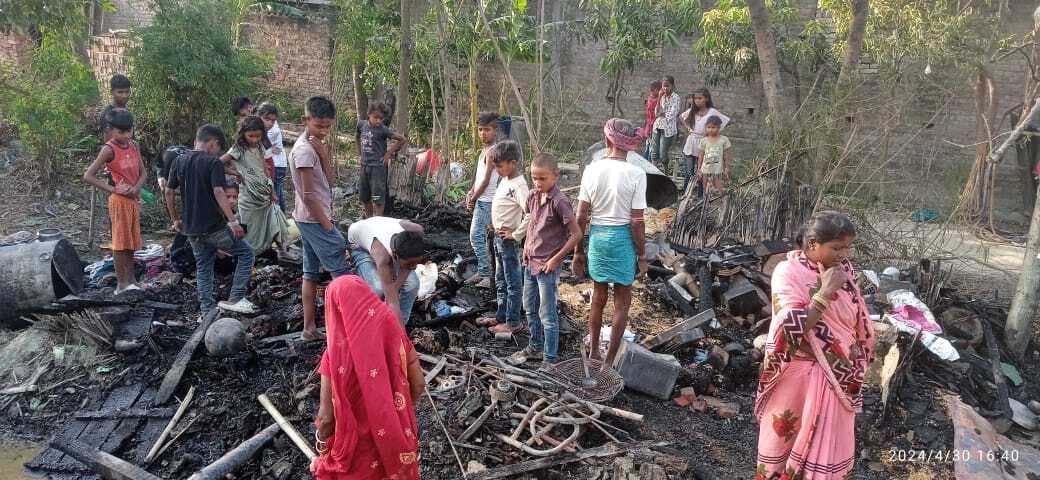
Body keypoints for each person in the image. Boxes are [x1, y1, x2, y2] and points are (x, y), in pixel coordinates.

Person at [755, 211, 874, 480]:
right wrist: (825, 292)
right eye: (836, 248)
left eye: (847, 247)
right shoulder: (788, 272)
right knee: (782, 445)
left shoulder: (844, 272)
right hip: (798, 377)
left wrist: (855, 352)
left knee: (829, 450)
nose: (844, 254)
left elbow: (856, 319)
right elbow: (790, 328)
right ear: (811, 245)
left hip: (840, 376)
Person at [311, 275, 423, 480]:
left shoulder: (334, 356)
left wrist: (321, 447)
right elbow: (418, 384)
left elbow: (326, 419)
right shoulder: (394, 333)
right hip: (395, 439)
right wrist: (395, 412)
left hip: (357, 455)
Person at [573, 118, 647, 368]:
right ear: (630, 147)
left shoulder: (592, 169)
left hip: (598, 238)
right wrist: (642, 254)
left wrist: (577, 252)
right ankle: (609, 362)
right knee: (622, 303)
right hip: (622, 239)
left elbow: (581, 216)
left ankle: (594, 352)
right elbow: (637, 222)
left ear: (606, 141)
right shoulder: (637, 173)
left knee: (598, 297)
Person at [164, 124, 258, 315]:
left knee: (204, 266)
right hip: (213, 227)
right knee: (246, 253)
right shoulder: (213, 162)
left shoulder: (180, 161)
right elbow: (218, 191)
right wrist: (233, 221)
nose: (217, 152)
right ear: (213, 143)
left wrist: (175, 219)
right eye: (218, 148)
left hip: (190, 228)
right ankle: (236, 297)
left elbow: (168, 191)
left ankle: (207, 311)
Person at [507, 153, 581, 369]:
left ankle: (549, 359)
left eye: (542, 179)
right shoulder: (531, 196)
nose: (538, 183)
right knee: (529, 307)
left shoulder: (559, 201)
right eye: (534, 178)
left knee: (547, 313)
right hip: (530, 262)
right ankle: (535, 346)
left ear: (555, 176)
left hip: (547, 266)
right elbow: (532, 223)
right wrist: (525, 248)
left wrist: (557, 259)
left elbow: (576, 234)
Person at [291, 96, 350, 342]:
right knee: (343, 274)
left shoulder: (314, 147)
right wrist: (327, 226)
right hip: (314, 220)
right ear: (306, 120)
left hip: (309, 219)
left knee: (310, 273)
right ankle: (349, 329)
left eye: (328, 126)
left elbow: (331, 180)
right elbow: (307, 195)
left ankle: (309, 328)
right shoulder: (304, 150)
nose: (324, 131)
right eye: (319, 126)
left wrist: (324, 155)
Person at [83, 108, 146, 295]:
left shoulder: (134, 145)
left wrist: (136, 188)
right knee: (120, 243)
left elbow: (143, 173)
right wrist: (114, 189)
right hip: (119, 201)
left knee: (132, 242)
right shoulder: (108, 149)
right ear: (111, 130)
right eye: (121, 132)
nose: (126, 135)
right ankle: (121, 283)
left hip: (133, 199)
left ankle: (132, 280)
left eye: (129, 131)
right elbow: (88, 176)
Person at [476, 141, 529, 335]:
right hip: (498, 238)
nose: (496, 170)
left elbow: (531, 214)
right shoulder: (505, 180)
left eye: (499, 166)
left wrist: (516, 235)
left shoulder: (519, 186)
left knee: (513, 282)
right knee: (500, 279)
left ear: (513, 163)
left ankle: (513, 321)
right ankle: (501, 315)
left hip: (508, 242)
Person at [220, 115, 290, 254]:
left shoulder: (259, 146)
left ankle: (274, 251)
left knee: (272, 221)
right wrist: (236, 173)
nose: (254, 139)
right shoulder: (238, 149)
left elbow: (264, 168)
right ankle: (249, 255)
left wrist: (272, 192)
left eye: (258, 136)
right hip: (249, 197)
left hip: (264, 193)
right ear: (243, 133)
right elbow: (218, 164)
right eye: (251, 136)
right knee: (251, 229)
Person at [347, 216, 427, 325]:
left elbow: (406, 269)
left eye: (417, 262)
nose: (414, 267)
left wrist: (393, 289)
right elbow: (392, 302)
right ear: (396, 256)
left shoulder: (416, 233)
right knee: (378, 290)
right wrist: (390, 294)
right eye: (410, 263)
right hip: (359, 246)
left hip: (379, 225)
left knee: (412, 285)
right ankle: (373, 323)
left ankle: (399, 326)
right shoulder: (382, 256)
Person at [464, 112, 501, 288]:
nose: (483, 133)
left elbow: (486, 181)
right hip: (482, 198)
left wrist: (474, 198)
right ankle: (484, 271)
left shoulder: (493, 151)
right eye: (480, 129)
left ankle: (486, 274)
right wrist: (471, 192)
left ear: (495, 131)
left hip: (488, 201)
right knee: (486, 237)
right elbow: (479, 177)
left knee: (476, 236)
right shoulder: (484, 150)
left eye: (487, 130)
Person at [356, 103, 407, 218]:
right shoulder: (361, 125)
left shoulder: (383, 130)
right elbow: (357, 135)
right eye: (376, 117)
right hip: (364, 166)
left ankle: (378, 220)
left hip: (378, 168)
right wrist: (359, 153)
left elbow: (402, 139)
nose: (378, 121)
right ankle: (369, 220)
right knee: (365, 196)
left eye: (381, 119)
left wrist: (388, 153)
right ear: (369, 114)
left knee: (377, 197)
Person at [680, 88, 730, 194]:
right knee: (689, 172)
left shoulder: (712, 112)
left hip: (704, 143)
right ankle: (685, 193)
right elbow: (681, 117)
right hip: (691, 142)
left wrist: (713, 132)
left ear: (706, 99)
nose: (697, 101)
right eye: (695, 98)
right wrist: (688, 128)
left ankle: (700, 196)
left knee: (702, 172)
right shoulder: (692, 111)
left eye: (700, 98)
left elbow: (726, 121)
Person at [258, 102, 289, 212]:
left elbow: (266, 152)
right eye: (267, 119)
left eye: (273, 120)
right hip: (274, 166)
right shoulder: (260, 133)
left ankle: (280, 221)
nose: (270, 123)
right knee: (277, 195)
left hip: (276, 167)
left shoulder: (269, 131)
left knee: (275, 197)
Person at [651, 76, 681, 173]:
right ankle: (653, 172)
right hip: (657, 126)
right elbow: (656, 113)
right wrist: (659, 97)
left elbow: (673, 114)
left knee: (663, 155)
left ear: (672, 86)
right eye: (663, 86)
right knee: (654, 153)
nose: (665, 88)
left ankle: (666, 171)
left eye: (667, 86)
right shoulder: (662, 97)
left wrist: (662, 114)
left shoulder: (676, 97)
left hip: (668, 129)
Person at [696, 116, 733, 193]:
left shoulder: (724, 140)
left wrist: (727, 168)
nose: (711, 130)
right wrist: (699, 169)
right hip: (705, 169)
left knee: (719, 188)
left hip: (718, 170)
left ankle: (719, 201)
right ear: (706, 127)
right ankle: (705, 202)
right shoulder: (704, 141)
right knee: (705, 189)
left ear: (719, 128)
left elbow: (727, 156)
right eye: (708, 127)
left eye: (713, 127)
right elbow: (700, 156)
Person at [100, 74, 132, 141]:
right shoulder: (108, 114)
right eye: (120, 92)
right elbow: (110, 144)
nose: (124, 96)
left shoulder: (126, 112)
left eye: (127, 92)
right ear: (111, 92)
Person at [639, 80, 662, 159]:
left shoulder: (650, 98)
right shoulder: (654, 100)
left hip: (649, 125)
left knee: (648, 145)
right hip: (653, 125)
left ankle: (646, 161)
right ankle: (648, 163)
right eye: (660, 90)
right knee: (651, 147)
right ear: (656, 90)